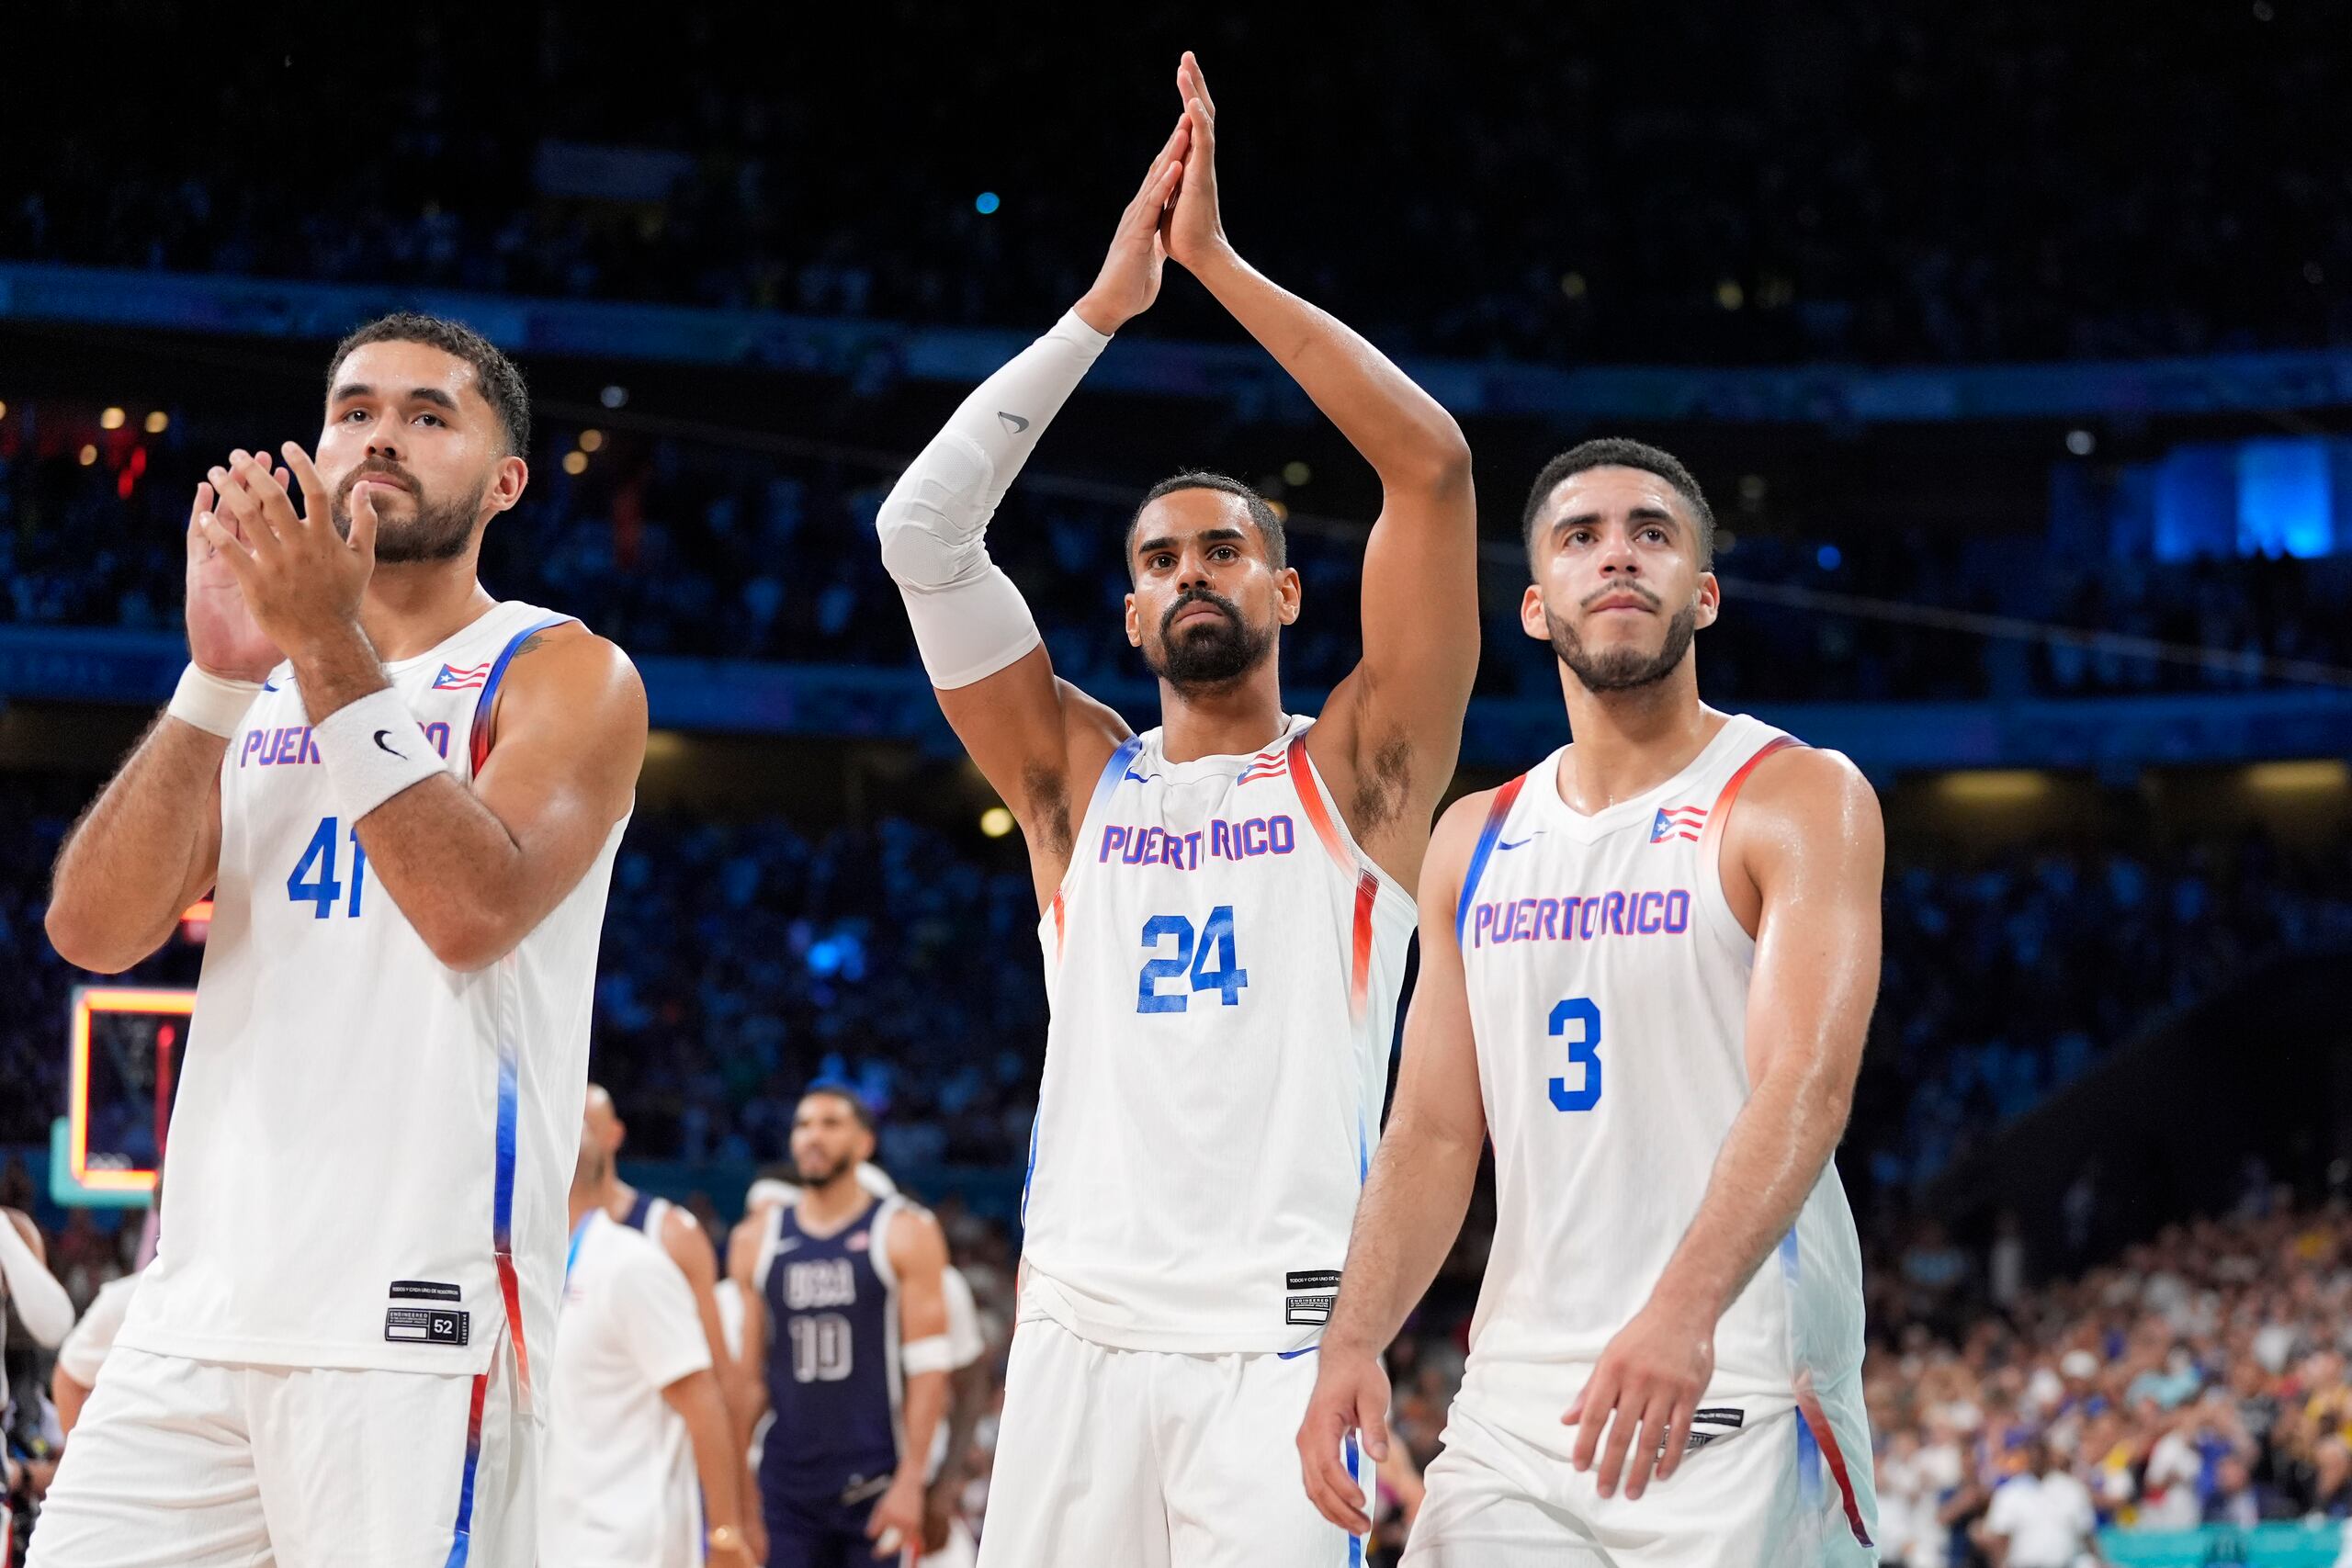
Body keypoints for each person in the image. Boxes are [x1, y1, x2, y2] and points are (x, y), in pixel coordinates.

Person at [874, 51, 1476, 1565]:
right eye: (1157, 559)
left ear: (1285, 588)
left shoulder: (1361, 774)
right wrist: (1102, 313)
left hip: (1277, 1333)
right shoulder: (1075, 779)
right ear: (1131, 614)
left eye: (1222, 548)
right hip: (1077, 1316)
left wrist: (1216, 266)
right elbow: (923, 534)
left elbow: (1435, 468)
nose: (1190, 569)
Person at [35, 312, 647, 1566]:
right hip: (198, 1307)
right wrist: (213, 676)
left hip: (413, 1314)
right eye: (356, 408)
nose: (383, 434)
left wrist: (323, 640)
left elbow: (471, 911)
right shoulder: (258, 687)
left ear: (507, 480)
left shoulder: (561, 671)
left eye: (431, 414)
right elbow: (91, 930)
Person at [1297, 439, 1883, 1565]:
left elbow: (1804, 1087)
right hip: (1519, 1405)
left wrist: (1684, 1309)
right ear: (1532, 605)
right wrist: (1352, 1338)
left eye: (1651, 534)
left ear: (1701, 595)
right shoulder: (1472, 839)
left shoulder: (1796, 797)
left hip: (1741, 1375)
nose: (1618, 556)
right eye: (1582, 537)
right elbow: (1428, 1130)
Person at [728, 1088, 954, 1567]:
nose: (813, 1137)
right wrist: (739, 1494)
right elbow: (748, 1381)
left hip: (875, 1482)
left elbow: (931, 1370)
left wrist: (914, 1481)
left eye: (830, 1124)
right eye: (803, 1125)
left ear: (864, 1142)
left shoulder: (904, 1231)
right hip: (785, 1486)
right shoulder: (756, 1239)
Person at [541, 1109, 754, 1567]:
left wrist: (725, 1534)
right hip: (556, 1530)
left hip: (629, 1541)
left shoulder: (632, 1265)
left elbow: (706, 1402)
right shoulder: (544, 1266)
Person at [583, 1085, 752, 1426]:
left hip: (644, 1467)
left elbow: (719, 1375)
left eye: (583, 1126)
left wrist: (733, 1479)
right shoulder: (527, 1237)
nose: (570, 1137)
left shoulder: (671, 1233)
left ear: (614, 1135)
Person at [1982, 1440, 2101, 1568]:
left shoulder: (2072, 1488)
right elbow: (1999, 1537)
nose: (2036, 1459)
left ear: (2048, 1456)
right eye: (2032, 1455)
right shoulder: (2010, 1492)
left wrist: (2099, 1560)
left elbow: (2086, 1532)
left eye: (2040, 1454)